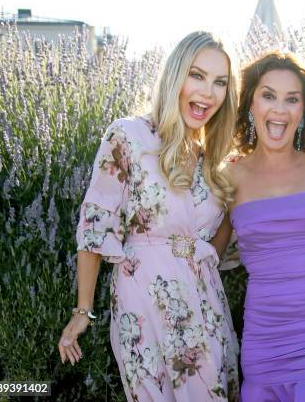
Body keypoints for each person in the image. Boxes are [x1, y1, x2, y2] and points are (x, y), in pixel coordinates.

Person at [57, 31, 240, 401]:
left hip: (205, 303)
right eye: (197, 75)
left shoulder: (215, 159)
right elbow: (96, 222)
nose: (208, 92)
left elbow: (227, 228)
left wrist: (204, 257)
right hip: (143, 298)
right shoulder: (129, 136)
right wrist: (83, 310)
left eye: (220, 82)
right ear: (175, 75)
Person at [217, 51, 305, 401]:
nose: (279, 109)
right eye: (268, 96)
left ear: (303, 110)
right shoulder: (228, 178)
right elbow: (207, 255)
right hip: (264, 338)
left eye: (291, 99)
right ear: (250, 104)